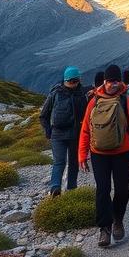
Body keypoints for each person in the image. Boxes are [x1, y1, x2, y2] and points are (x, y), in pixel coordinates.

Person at [79, 64, 129, 247]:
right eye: (110, 81)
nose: (113, 84)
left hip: (122, 153)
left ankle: (118, 219)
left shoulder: (128, 101)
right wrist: (81, 155)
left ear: (120, 82)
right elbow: (85, 130)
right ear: (105, 82)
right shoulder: (94, 101)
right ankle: (105, 229)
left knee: (122, 190)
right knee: (102, 190)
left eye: (116, 81)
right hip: (98, 153)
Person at [39, 66, 88, 197]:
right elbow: (43, 115)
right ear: (66, 80)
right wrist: (49, 132)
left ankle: (57, 188)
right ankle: (63, 188)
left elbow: (43, 115)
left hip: (64, 134)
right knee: (69, 163)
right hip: (69, 134)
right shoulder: (80, 94)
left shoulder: (56, 92)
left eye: (75, 81)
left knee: (62, 162)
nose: (74, 84)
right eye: (72, 81)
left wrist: (49, 131)